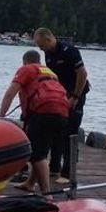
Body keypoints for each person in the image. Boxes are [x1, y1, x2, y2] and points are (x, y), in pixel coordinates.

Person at [0, 50, 68, 195]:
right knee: (41, 149)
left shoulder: (26, 69)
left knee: (37, 155)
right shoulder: (51, 73)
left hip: (43, 111)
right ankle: (30, 183)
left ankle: (46, 194)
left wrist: (0, 117)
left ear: (25, 61)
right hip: (62, 113)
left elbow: (11, 92)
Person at [33, 27, 90, 183]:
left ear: (48, 39)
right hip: (61, 95)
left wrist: (75, 97)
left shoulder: (69, 51)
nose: (40, 48)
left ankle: (68, 172)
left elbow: (83, 74)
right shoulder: (48, 54)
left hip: (77, 93)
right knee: (56, 130)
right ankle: (54, 168)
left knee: (70, 132)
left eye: (41, 45)